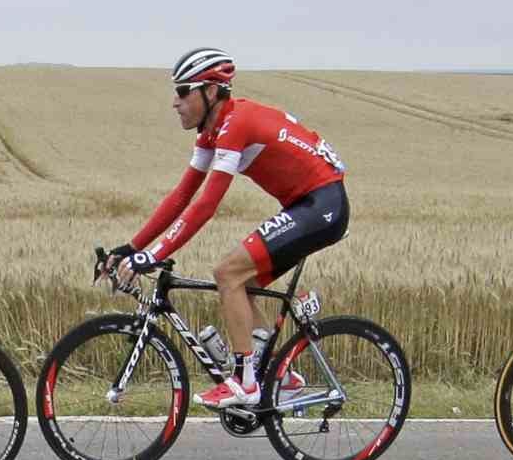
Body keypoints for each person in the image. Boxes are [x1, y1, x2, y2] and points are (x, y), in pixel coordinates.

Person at [106, 49, 350, 411]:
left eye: (183, 90)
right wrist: (132, 247)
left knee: (228, 273)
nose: (175, 102)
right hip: (306, 205)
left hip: (322, 205)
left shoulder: (237, 123)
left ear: (210, 92)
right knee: (244, 282)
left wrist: (154, 255)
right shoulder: (212, 132)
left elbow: (206, 205)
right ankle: (283, 378)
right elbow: (181, 197)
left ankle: (245, 383)